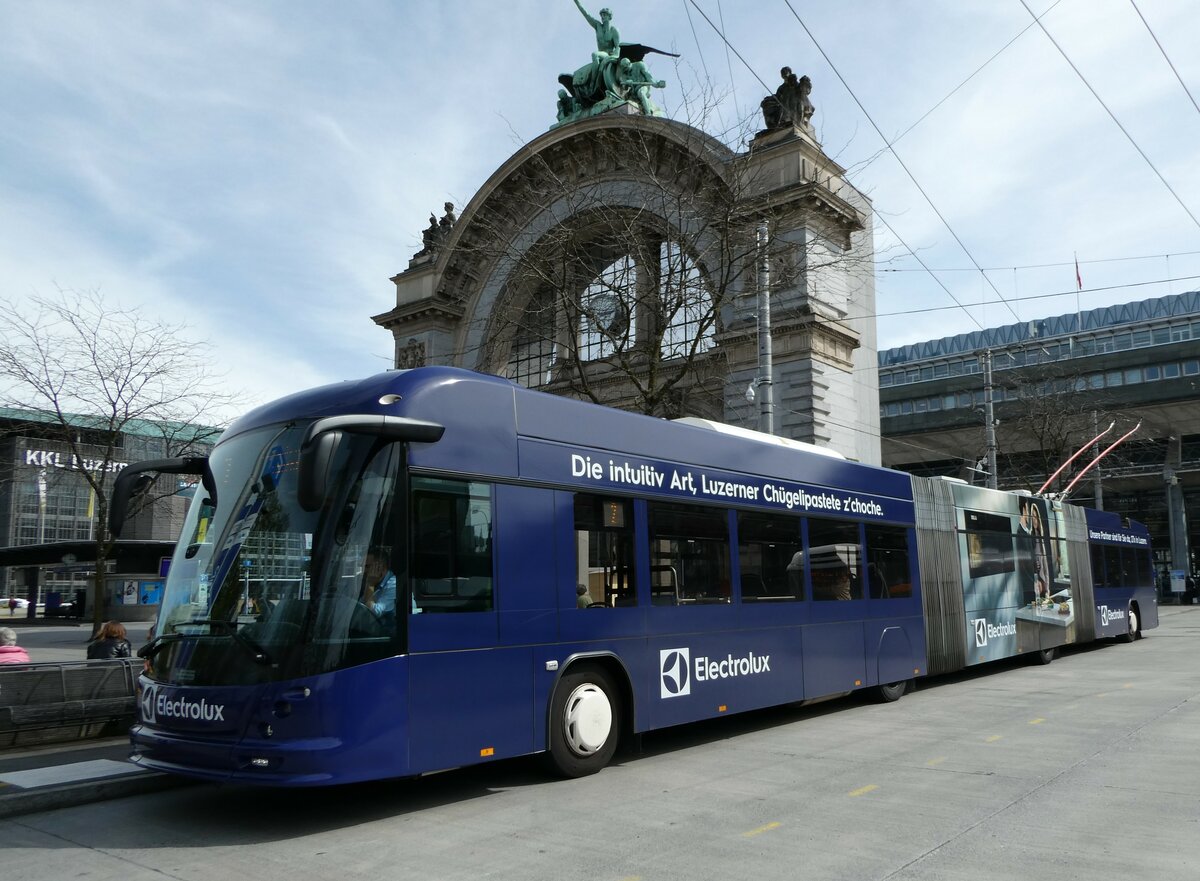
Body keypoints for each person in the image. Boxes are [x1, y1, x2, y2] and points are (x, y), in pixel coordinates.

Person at [362, 552, 397, 617]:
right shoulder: (374, 580)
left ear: (380, 567)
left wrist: (370, 585)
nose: (364, 570)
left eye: (367, 566)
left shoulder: (394, 584)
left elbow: (373, 613)